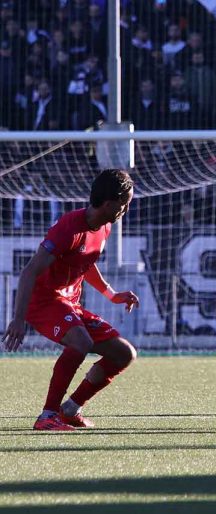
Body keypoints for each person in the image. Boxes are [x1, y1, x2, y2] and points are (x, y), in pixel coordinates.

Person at [2, 169, 139, 431]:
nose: (126, 209)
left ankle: (70, 409)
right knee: (81, 342)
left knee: (123, 354)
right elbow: (29, 271)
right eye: (125, 203)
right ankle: (47, 417)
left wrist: (111, 294)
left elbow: (85, 263)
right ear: (109, 204)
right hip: (43, 301)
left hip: (69, 303)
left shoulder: (104, 227)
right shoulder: (68, 228)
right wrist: (18, 319)